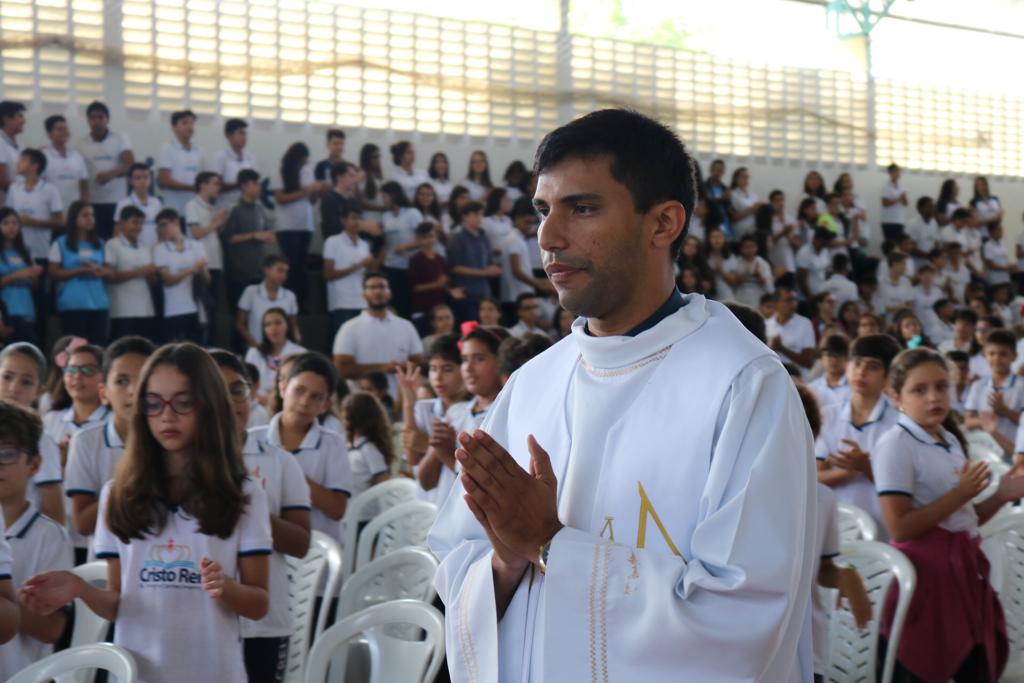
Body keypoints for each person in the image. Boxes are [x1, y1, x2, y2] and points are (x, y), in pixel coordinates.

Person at [428, 109, 814, 681]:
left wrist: (549, 543)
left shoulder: (743, 386)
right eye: (542, 210)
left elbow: (743, 616)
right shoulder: (533, 383)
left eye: (581, 208)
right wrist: (506, 559)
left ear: (662, 224)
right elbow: (454, 563)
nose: (548, 237)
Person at [23, 343, 274, 683]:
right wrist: (80, 588)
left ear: (210, 407)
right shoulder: (118, 494)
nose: (167, 416)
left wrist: (227, 588)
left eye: (183, 403)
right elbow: (119, 604)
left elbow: (259, 604)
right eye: (153, 404)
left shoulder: (244, 493)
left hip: (214, 672)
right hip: (136, 673)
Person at [875, 348, 1018, 682]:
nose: (934, 397)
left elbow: (961, 518)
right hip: (925, 576)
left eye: (941, 387)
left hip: (960, 569)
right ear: (896, 396)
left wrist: (1000, 495)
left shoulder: (948, 438)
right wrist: (961, 493)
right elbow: (900, 526)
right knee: (923, 668)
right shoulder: (895, 444)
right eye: (919, 390)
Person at [209, 349, 311, 683]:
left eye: (237, 389)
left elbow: (300, 543)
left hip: (262, 625)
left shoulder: (279, 461)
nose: (231, 401)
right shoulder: (179, 467)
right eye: (217, 390)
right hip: (201, 620)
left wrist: (249, 506)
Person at [792, 384, 871, 683]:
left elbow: (822, 568)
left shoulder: (821, 497)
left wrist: (844, 574)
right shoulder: (734, 497)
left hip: (807, 648)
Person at [0, 400, 70, 678]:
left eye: (7, 454)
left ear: (35, 464)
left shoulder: (50, 536)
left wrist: (10, 607)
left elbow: (53, 628)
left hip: (22, 673)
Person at [250, 352, 351, 542]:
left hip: (317, 554)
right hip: (264, 546)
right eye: (299, 390)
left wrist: (292, 471)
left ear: (325, 404)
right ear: (283, 387)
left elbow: (337, 509)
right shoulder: (253, 439)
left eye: (316, 397)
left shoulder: (332, 443)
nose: (305, 402)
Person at [64, 337, 154, 549]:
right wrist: (134, 481)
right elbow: (83, 523)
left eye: (143, 380)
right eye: (122, 381)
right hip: (106, 564)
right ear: (104, 393)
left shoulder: (170, 439)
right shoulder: (86, 442)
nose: (133, 390)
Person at [815, 334, 901, 532]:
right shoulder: (828, 416)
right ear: (847, 366)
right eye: (857, 363)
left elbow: (903, 485)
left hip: (881, 524)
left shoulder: (898, 423)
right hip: (836, 524)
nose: (861, 371)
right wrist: (849, 471)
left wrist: (866, 467)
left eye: (872, 366)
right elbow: (815, 476)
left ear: (888, 377)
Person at [418, 324, 509, 503]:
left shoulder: (505, 416)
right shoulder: (455, 412)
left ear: (500, 362)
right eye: (465, 359)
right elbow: (426, 482)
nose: (468, 368)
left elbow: (490, 487)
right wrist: (437, 449)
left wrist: (447, 454)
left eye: (479, 358)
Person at [0, 343, 65, 529]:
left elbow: (54, 509)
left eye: (26, 382)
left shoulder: (40, 440)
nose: (14, 388)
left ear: (39, 391)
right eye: (7, 377)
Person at [396, 335, 466, 503]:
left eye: (448, 369)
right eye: (433, 369)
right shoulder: (425, 408)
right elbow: (413, 458)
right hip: (430, 500)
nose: (438, 377)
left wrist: (427, 444)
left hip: (458, 498)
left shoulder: (471, 410)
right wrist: (408, 403)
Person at [332, 272, 423, 397]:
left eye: (382, 287)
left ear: (389, 292)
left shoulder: (406, 326)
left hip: (401, 399)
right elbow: (341, 369)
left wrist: (405, 367)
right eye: (372, 288)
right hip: (363, 400)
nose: (377, 291)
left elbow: (419, 363)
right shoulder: (349, 328)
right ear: (364, 294)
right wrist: (382, 368)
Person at [47, 201, 111, 345]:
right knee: (75, 348)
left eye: (92, 215)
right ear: (74, 219)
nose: (90, 219)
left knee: (98, 347)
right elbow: (53, 273)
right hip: (72, 304)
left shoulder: (100, 244)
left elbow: (108, 271)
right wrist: (81, 270)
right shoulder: (61, 243)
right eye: (85, 215)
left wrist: (99, 270)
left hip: (98, 303)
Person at [273, 142, 325, 305]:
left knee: (301, 265)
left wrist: (317, 191)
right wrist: (306, 190)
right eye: (303, 160)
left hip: (305, 224)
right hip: (287, 226)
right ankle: (288, 300)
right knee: (291, 265)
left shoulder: (308, 171)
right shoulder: (279, 171)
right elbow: (281, 198)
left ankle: (302, 301)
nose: (305, 164)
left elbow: (311, 200)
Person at [223, 169, 276, 315]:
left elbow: (263, 232)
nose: (258, 188)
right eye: (254, 184)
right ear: (243, 186)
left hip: (258, 271)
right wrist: (253, 235)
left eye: (258, 184)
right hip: (239, 273)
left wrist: (268, 236)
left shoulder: (259, 209)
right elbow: (228, 238)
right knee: (239, 318)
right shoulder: (235, 209)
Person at [78, 101, 134, 239]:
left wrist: (110, 175)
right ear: (88, 120)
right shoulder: (81, 144)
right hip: (93, 203)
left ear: (107, 119)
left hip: (117, 201)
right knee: (97, 241)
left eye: (100, 117)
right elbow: (81, 176)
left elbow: (130, 165)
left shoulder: (120, 138)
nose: (97, 121)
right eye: (92, 117)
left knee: (117, 242)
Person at [964, 328, 1024, 457]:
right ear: (985, 355)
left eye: (1003, 354)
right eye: (992, 353)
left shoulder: (1021, 386)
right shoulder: (978, 386)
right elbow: (968, 421)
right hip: (985, 451)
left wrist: (1005, 411)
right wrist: (983, 421)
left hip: (1014, 450)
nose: (997, 358)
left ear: (1014, 356)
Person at [154, 208, 208, 344]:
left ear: (176, 222)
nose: (162, 229)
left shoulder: (196, 246)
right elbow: (168, 280)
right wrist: (193, 268)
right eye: (159, 226)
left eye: (164, 224)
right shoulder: (160, 249)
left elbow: (207, 279)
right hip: (173, 309)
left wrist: (201, 269)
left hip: (194, 306)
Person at [5, 148, 63, 267]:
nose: (17, 162)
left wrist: (34, 222)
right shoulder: (14, 189)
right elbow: (6, 216)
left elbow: (60, 222)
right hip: (15, 250)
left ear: (34, 166)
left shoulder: (50, 190)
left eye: (23, 160)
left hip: (40, 251)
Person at [323, 205, 374, 339]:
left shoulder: (364, 244)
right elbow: (328, 274)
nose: (357, 222)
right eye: (353, 218)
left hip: (362, 300)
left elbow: (368, 273)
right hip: (341, 302)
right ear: (343, 220)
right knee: (343, 342)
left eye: (359, 219)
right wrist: (359, 265)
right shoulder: (332, 242)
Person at [244, 307, 307, 405]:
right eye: (267, 325)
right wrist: (260, 399)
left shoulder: (300, 353)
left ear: (288, 326)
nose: (273, 328)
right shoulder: (254, 353)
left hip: (288, 403)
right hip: (257, 404)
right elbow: (246, 383)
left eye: (278, 323)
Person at [236, 255, 300, 350]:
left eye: (286, 272)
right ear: (266, 270)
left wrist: (295, 344)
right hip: (256, 347)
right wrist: (256, 346)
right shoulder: (251, 291)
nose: (283, 275)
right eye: (280, 270)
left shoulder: (290, 296)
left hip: (282, 350)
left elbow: (293, 325)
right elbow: (240, 324)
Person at [378, 180, 421, 317]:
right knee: (392, 304)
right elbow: (385, 242)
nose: (383, 200)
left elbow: (424, 239)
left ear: (393, 195)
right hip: (391, 265)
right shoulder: (385, 216)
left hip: (409, 266)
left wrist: (406, 246)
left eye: (384, 196)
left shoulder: (412, 213)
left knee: (407, 305)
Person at [0, 208, 42, 344]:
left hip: (26, 309)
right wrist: (16, 275)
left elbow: (35, 288)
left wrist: (33, 277)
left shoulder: (26, 251)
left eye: (15, 223)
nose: (11, 227)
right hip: (6, 311)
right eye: (6, 223)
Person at [340, 392, 393, 499]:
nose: (343, 418)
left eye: (346, 414)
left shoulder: (369, 448)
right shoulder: (350, 444)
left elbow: (384, 482)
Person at [185, 171, 227, 303]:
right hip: (201, 262)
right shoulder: (192, 205)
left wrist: (220, 220)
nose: (218, 188)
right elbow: (196, 233)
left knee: (214, 304)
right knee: (203, 304)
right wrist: (217, 222)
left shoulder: (212, 207)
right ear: (203, 185)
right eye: (215, 184)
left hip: (215, 260)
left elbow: (215, 231)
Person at [156, 109, 204, 215]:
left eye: (192, 123)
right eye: (185, 123)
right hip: (173, 209)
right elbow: (164, 180)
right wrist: (192, 187)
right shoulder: (167, 149)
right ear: (174, 127)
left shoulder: (199, 151)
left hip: (194, 210)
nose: (189, 126)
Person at [41, 115, 89, 211]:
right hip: (51, 212)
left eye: (66, 128)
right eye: (59, 129)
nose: (64, 132)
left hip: (74, 213)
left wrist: (85, 207)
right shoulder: (43, 156)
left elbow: (84, 185)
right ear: (49, 134)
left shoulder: (77, 157)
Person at [767, 286, 816, 377]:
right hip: (773, 376)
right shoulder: (767, 324)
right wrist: (772, 348)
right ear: (776, 304)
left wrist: (782, 348)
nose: (793, 304)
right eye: (788, 300)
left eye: (794, 300)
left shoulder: (805, 324)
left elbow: (808, 362)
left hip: (798, 378)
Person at [408, 222, 449, 325]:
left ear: (436, 237)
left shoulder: (441, 259)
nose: (428, 240)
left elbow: (444, 283)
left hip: (439, 307)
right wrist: (436, 284)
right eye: (424, 237)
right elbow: (414, 287)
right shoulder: (415, 260)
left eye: (431, 236)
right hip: (422, 308)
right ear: (418, 239)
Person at [113, 162, 162, 248]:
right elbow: (117, 232)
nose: (143, 181)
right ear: (130, 181)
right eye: (138, 178)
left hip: (155, 248)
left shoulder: (157, 203)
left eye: (146, 177)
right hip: (134, 250)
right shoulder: (124, 204)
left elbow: (161, 229)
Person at [212, 118, 254, 208]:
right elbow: (216, 186)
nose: (244, 137)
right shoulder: (221, 157)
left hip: (245, 207)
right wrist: (239, 184)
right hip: (225, 207)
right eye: (240, 133)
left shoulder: (249, 157)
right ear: (229, 135)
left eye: (245, 134)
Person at [806, 334, 851, 409]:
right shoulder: (811, 389)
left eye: (839, 355)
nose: (834, 360)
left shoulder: (855, 388)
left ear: (847, 359)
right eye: (829, 355)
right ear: (821, 358)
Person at [319, 161, 361, 240]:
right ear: (339, 177)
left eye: (355, 177)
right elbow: (332, 228)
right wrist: (362, 225)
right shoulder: (328, 199)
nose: (355, 180)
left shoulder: (352, 200)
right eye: (351, 176)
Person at [796, 228, 835, 300]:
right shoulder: (804, 253)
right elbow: (801, 280)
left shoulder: (825, 251)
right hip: (807, 297)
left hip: (821, 295)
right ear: (817, 239)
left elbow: (827, 271)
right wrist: (810, 298)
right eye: (824, 242)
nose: (826, 245)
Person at [0, 101, 25, 208]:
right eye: (19, 116)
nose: (24, 121)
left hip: (21, 205)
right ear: (6, 119)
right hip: (5, 206)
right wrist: (26, 192)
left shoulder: (22, 145)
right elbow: (1, 180)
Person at [880, 163, 907, 241]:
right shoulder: (886, 187)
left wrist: (904, 198)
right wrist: (898, 199)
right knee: (891, 244)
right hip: (889, 221)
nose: (898, 173)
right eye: (895, 171)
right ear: (890, 173)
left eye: (898, 171)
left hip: (899, 220)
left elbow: (906, 204)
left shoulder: (901, 187)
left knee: (899, 244)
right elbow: (884, 203)